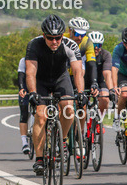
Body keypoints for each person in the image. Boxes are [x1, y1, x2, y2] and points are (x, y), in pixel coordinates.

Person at [25, 15, 85, 175]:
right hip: (41, 80)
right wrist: (32, 93)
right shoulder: (34, 45)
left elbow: (78, 72)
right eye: (50, 38)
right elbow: (30, 72)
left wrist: (80, 92)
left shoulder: (70, 45)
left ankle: (62, 140)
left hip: (60, 78)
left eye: (58, 38)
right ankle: (39, 159)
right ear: (44, 36)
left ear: (62, 35)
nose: (54, 42)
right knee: (40, 115)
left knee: (69, 109)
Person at [17, 57, 31, 156]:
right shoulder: (24, 60)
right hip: (26, 87)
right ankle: (24, 143)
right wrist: (21, 88)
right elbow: (20, 75)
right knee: (24, 114)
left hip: (38, 86)